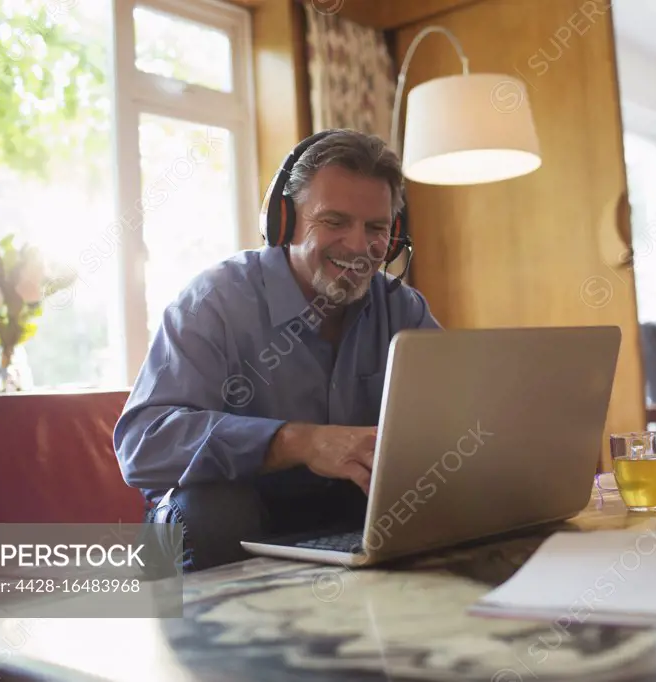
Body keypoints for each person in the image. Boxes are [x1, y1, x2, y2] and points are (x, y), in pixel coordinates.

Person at [113, 129, 441, 572]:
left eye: (376, 228)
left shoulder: (400, 306)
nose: (360, 247)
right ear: (283, 222)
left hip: (343, 514)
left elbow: (456, 419)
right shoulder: (215, 300)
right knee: (213, 511)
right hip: (226, 521)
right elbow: (144, 444)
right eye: (334, 221)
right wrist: (298, 441)